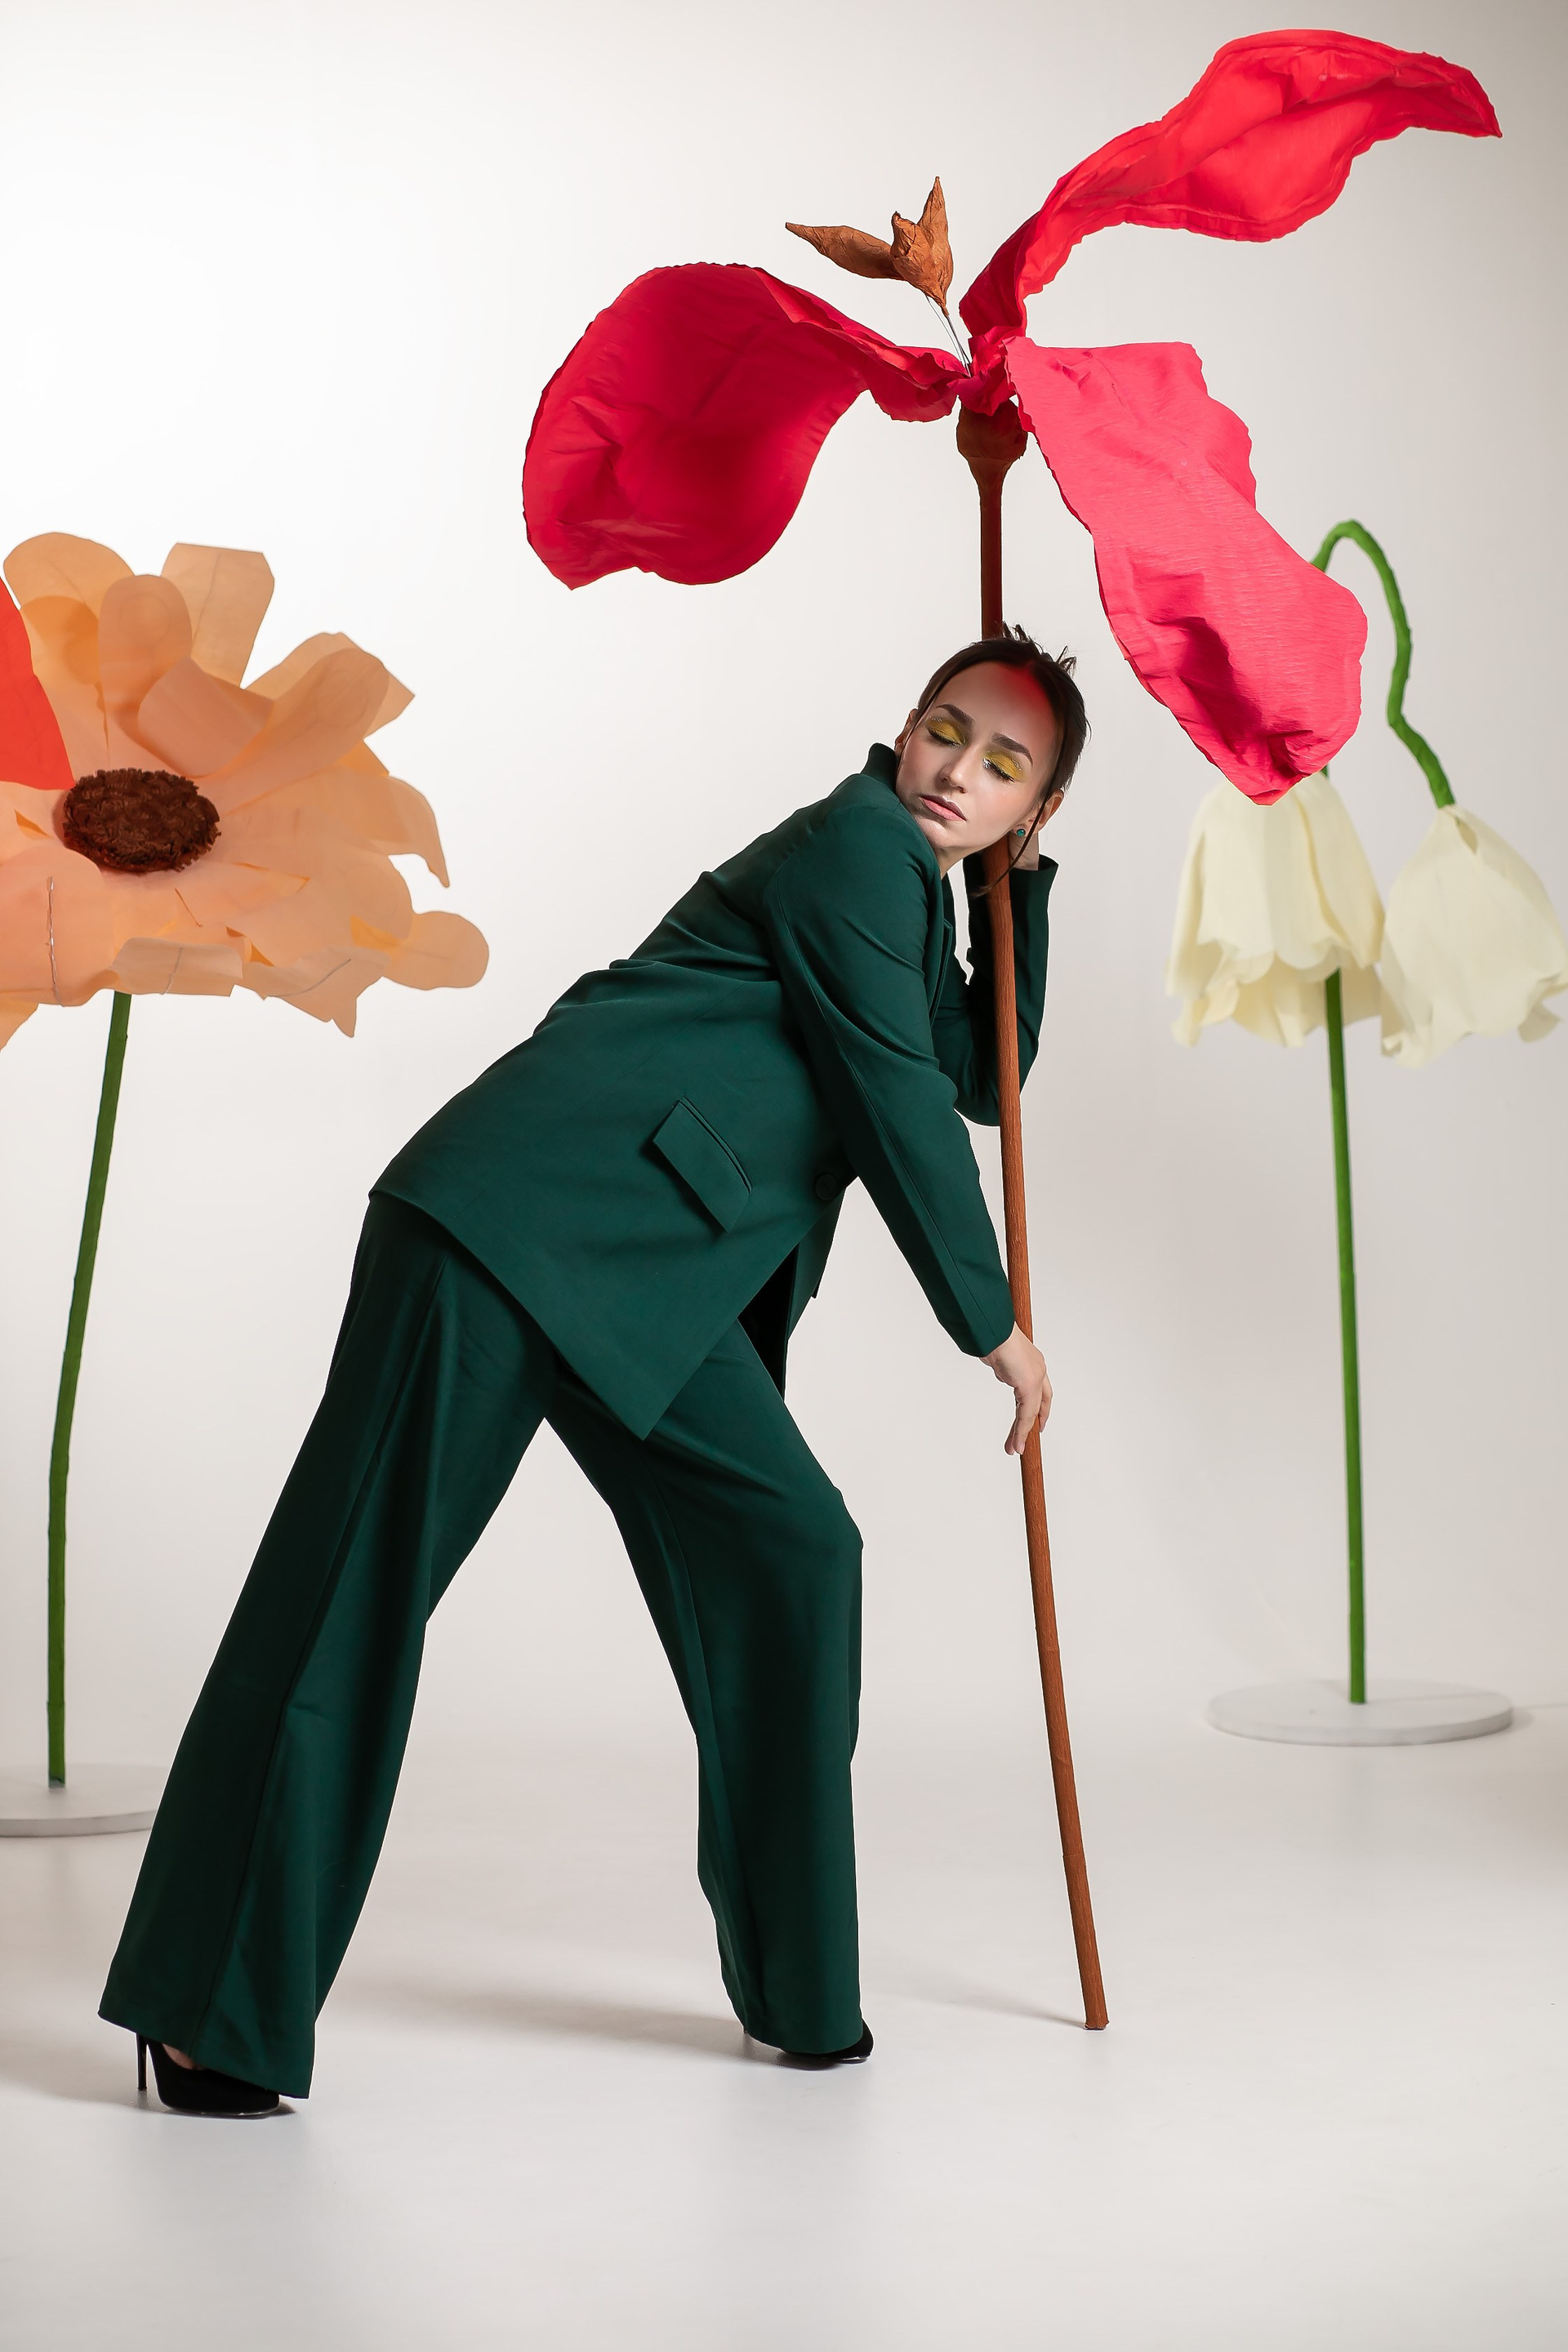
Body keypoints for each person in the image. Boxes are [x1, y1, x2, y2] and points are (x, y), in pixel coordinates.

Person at [100, 628, 1089, 2115]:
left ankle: (800, 1989)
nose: (958, 769)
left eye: (1005, 765)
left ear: (1036, 807)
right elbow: (897, 1094)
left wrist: (1019, 893)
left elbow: (977, 1074)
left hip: (652, 1280)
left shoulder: (921, 888)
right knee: (353, 1595)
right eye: (947, 729)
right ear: (904, 726)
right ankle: (204, 2011)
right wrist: (990, 1321)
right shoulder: (856, 844)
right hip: (514, 1218)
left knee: (794, 1552)